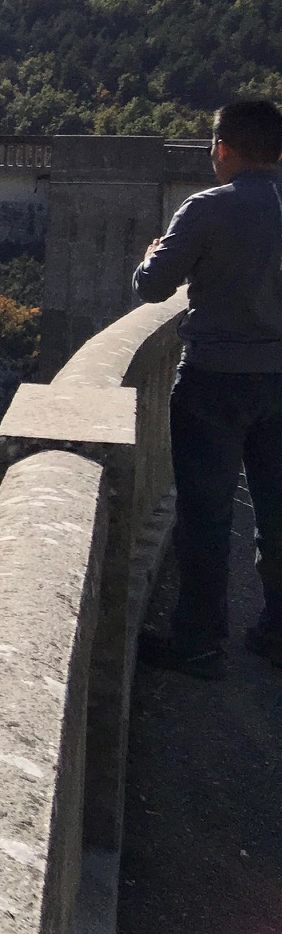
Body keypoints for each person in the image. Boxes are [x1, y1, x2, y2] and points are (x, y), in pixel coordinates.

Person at [133, 97, 282, 679]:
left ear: (221, 148)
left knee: (205, 514)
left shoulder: (207, 208)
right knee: (277, 514)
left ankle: (198, 643)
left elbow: (152, 287)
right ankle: (275, 634)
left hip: (214, 382)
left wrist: (151, 256)